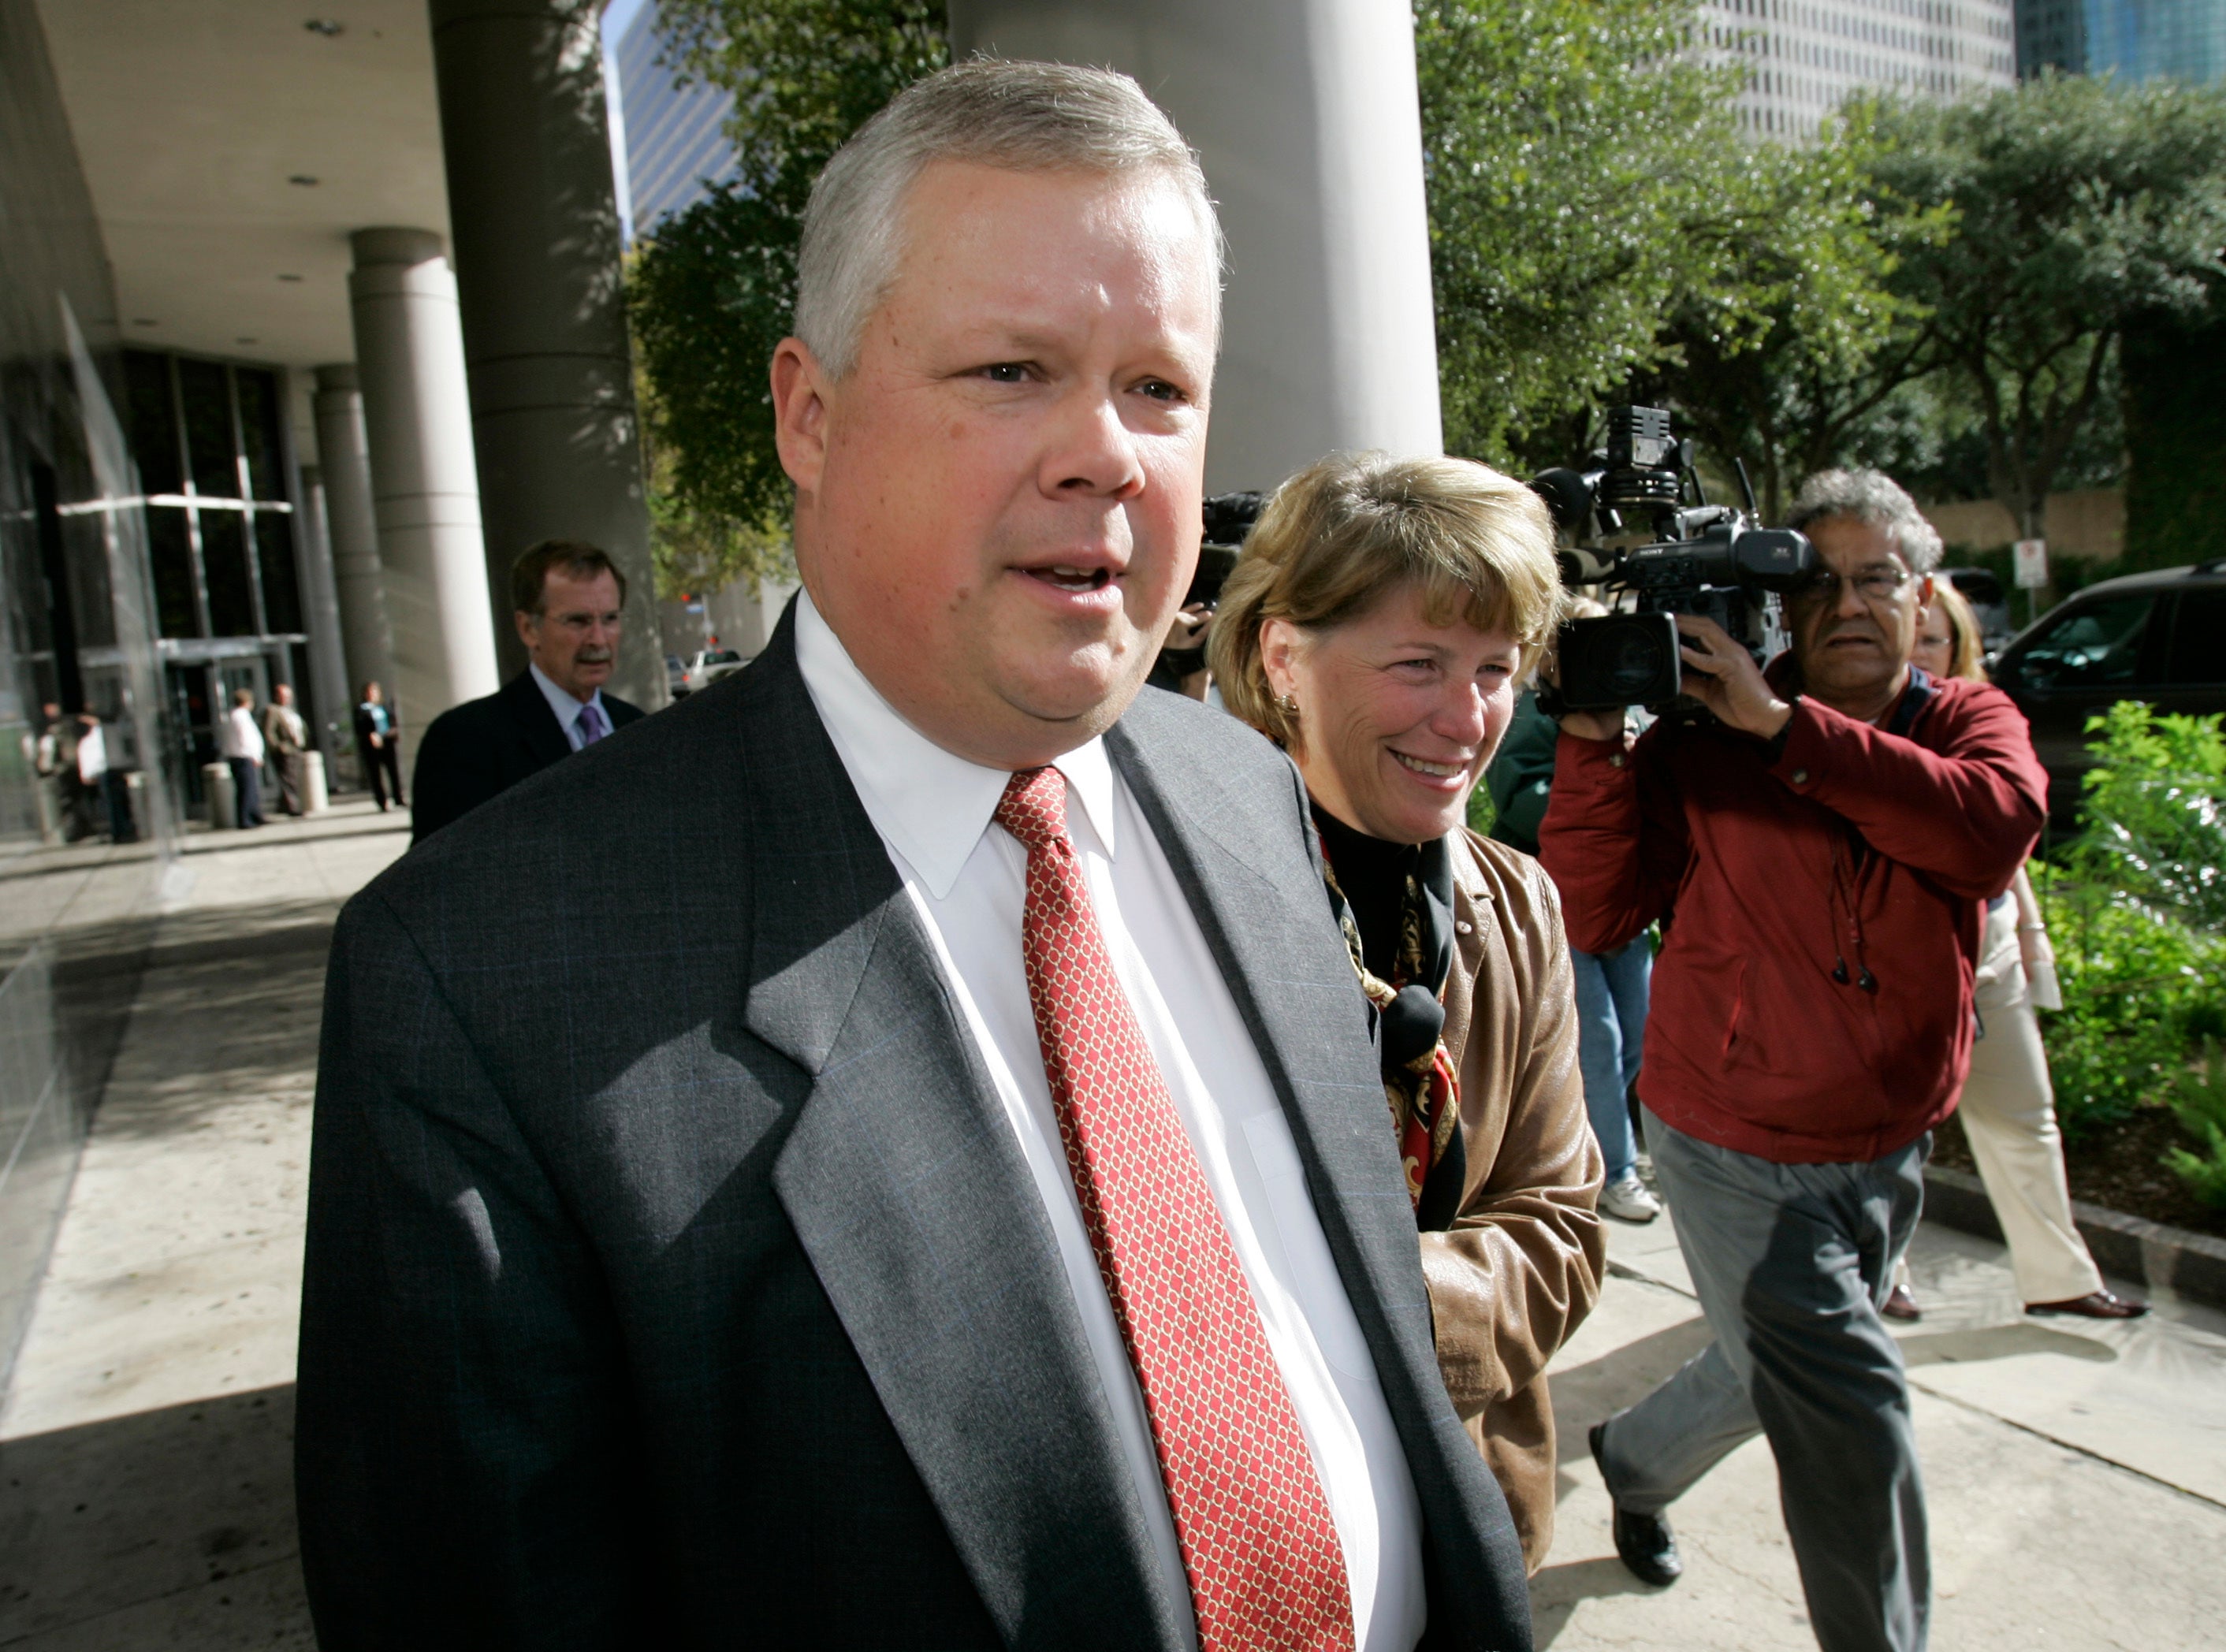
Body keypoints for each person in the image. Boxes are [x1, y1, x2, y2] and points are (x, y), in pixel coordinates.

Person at [296, 61, 1534, 1650]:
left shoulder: (1244, 789)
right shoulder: (477, 974)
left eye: (1157, 386)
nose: (1104, 452)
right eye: (1013, 368)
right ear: (808, 415)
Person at [1543, 468, 2047, 1651]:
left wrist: (1787, 734)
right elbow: (1596, 910)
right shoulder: (1700, 738)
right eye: (1817, 581)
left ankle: (1634, 1457)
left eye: (1879, 579)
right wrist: (1591, 741)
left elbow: (1985, 835)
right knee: (1853, 1409)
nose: (1850, 605)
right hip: (1734, 1144)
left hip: (1889, 1140)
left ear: (1924, 599)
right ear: (1778, 597)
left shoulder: (1972, 722)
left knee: (1772, 1368)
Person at [1210, 450, 1605, 1574]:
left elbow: (1563, 1227)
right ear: (1283, 657)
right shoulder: (1163, 894)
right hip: (1246, 1522)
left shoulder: (1518, 904)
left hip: (1464, 1508)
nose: (1467, 717)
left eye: (1497, 667)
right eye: (1420, 662)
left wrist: (1365, 1313)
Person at [1883, 582, 2145, 1323]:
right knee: (1893, 1131)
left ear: (1956, 646)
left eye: (1933, 639)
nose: (1916, 650)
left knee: (2026, 1117)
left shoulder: (1977, 723)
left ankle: (2060, 1276)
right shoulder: (1857, 729)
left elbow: (2008, 854)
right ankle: (1885, 1271)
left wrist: (2032, 939)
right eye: (1911, 634)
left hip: (1989, 952)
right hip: (1900, 963)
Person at [1485, 627, 1662, 1226]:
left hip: (1622, 901)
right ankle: (1617, 1172)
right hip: (1558, 899)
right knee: (1599, 1047)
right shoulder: (1532, 713)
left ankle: (1593, 1143)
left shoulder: (1628, 708)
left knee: (1638, 1037)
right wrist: (1592, 777)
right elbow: (1519, 800)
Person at [408, 541, 646, 843]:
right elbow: (442, 877)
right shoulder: (464, 740)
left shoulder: (638, 727)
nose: (599, 639)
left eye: (610, 619)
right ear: (527, 629)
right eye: (578, 621)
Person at [216, 687, 267, 828]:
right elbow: (245, 738)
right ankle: (245, 819)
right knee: (246, 789)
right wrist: (255, 755)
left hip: (240, 756)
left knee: (249, 788)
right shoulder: (240, 716)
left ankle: (254, 814)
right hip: (243, 756)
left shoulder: (234, 715)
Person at [352, 683, 402, 813]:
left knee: (393, 771)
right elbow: (359, 727)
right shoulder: (361, 709)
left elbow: (393, 723)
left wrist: (388, 735)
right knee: (376, 775)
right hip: (371, 746)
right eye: (369, 692)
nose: (372, 695)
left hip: (387, 743)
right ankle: (382, 801)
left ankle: (398, 798)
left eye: (374, 692)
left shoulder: (384, 707)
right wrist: (371, 734)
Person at [262, 682, 309, 816]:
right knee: (289, 780)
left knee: (292, 778)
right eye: (283, 696)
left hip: (296, 748)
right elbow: (268, 731)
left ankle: (283, 805)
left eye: (289, 696)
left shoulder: (290, 711)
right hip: (285, 750)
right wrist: (278, 747)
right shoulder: (272, 710)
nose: (287, 698)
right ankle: (293, 807)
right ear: (276, 696)